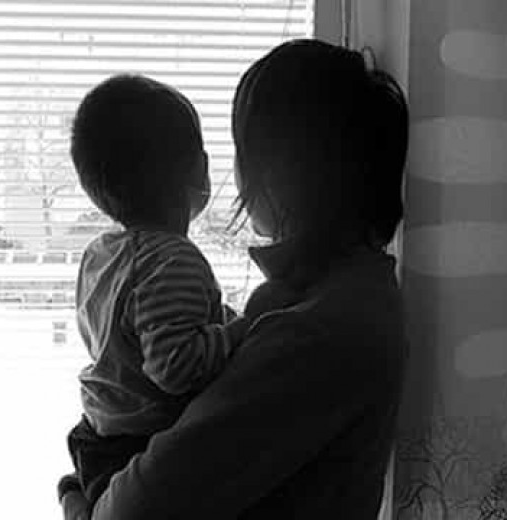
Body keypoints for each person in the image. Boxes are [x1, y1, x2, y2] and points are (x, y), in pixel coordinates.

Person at [63, 38, 410, 519]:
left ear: (283, 171)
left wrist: (75, 499)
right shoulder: (333, 295)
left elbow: (127, 514)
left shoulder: (324, 327)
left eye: (243, 150)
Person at [57, 74, 258, 517]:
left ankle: (77, 495)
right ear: (199, 169)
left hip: (98, 434)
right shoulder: (173, 258)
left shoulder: (101, 253)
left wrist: (220, 321)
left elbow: (135, 334)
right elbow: (175, 368)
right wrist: (243, 331)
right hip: (138, 444)